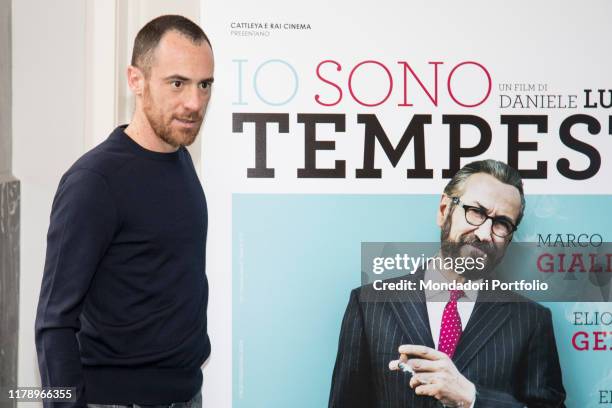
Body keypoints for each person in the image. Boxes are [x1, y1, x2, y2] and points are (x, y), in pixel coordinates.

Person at [35, 15, 214, 407]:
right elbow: (54, 322)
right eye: (178, 83)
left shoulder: (181, 161)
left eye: (204, 85)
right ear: (136, 80)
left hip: (186, 397)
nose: (194, 102)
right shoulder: (94, 181)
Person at [329, 160, 566, 407]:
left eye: (502, 224)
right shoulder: (369, 305)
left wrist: (473, 399)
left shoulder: (531, 320)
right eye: (476, 211)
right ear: (444, 210)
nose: (485, 233)